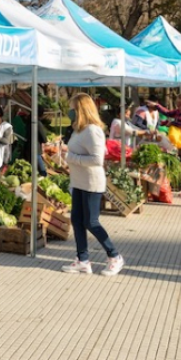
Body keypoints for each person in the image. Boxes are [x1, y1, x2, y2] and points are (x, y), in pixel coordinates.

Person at [62, 93, 124, 276]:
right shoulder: (78, 130)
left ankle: (114, 256)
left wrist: (69, 156)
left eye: (72, 108)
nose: (70, 112)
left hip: (91, 182)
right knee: (77, 220)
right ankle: (82, 260)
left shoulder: (92, 130)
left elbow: (97, 159)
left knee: (91, 221)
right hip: (79, 181)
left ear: (80, 109)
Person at [149, 92, 181, 198]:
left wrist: (172, 123)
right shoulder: (180, 111)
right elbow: (168, 113)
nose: (178, 107)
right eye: (178, 104)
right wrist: (157, 106)